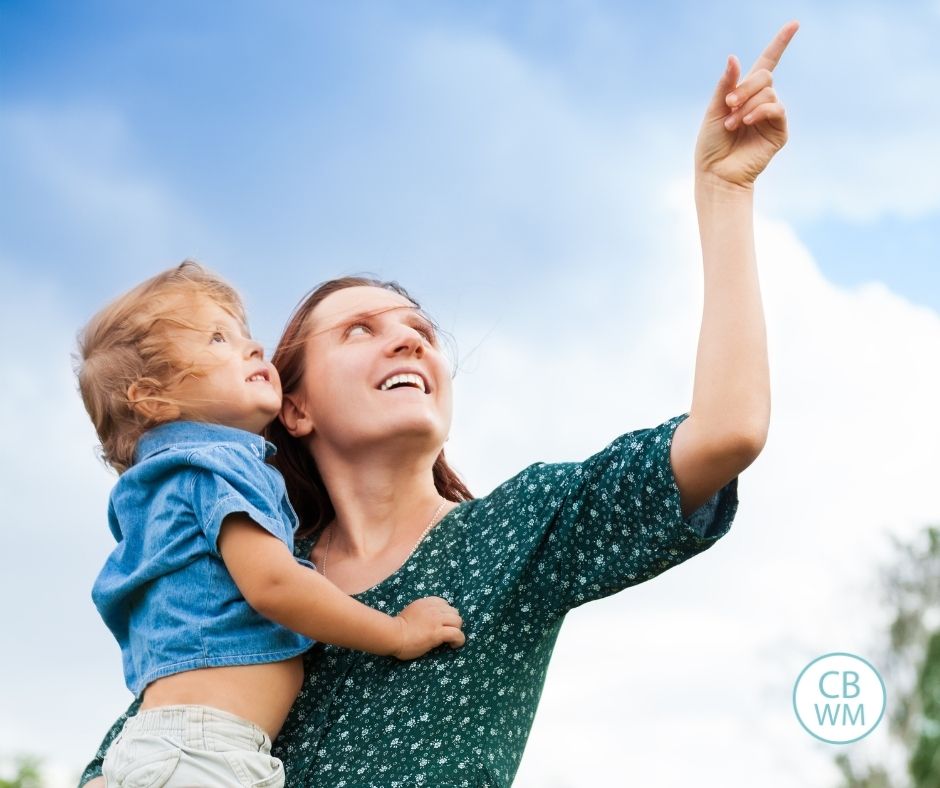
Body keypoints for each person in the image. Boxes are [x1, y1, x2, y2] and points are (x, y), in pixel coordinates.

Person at [80, 20, 798, 787]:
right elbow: (143, 748)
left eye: (421, 330)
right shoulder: (241, 562)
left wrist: (723, 193)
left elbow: (726, 432)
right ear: (295, 408)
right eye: (360, 330)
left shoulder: (519, 532)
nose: (409, 341)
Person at [75, 264, 465, 787]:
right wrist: (396, 632)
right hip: (205, 751)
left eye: (243, 334)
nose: (253, 348)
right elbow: (274, 584)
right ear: (153, 399)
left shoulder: (159, 487)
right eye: (218, 338)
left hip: (169, 747)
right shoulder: (220, 464)